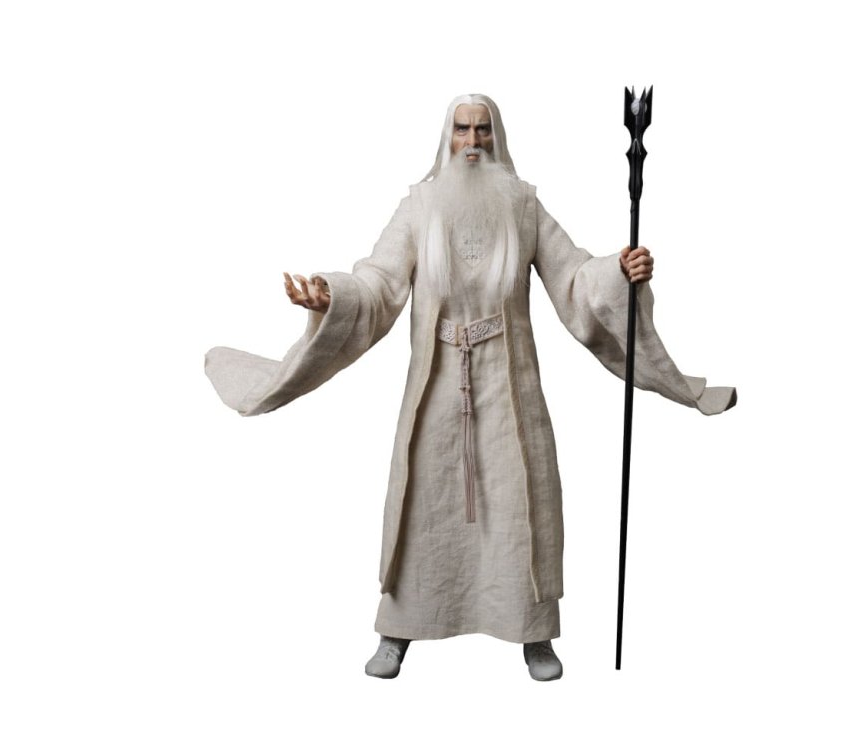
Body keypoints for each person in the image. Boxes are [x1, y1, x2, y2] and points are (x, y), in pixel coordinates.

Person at [205, 94, 735, 682]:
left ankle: (532, 630)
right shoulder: (420, 205)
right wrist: (334, 295)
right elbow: (378, 282)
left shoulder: (523, 205)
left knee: (520, 503)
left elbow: (574, 277)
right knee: (423, 503)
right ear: (447, 137)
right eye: (462, 130)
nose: (472, 141)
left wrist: (618, 271)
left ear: (496, 136)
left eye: (482, 130)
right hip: (437, 382)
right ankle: (400, 629)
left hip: (509, 387)